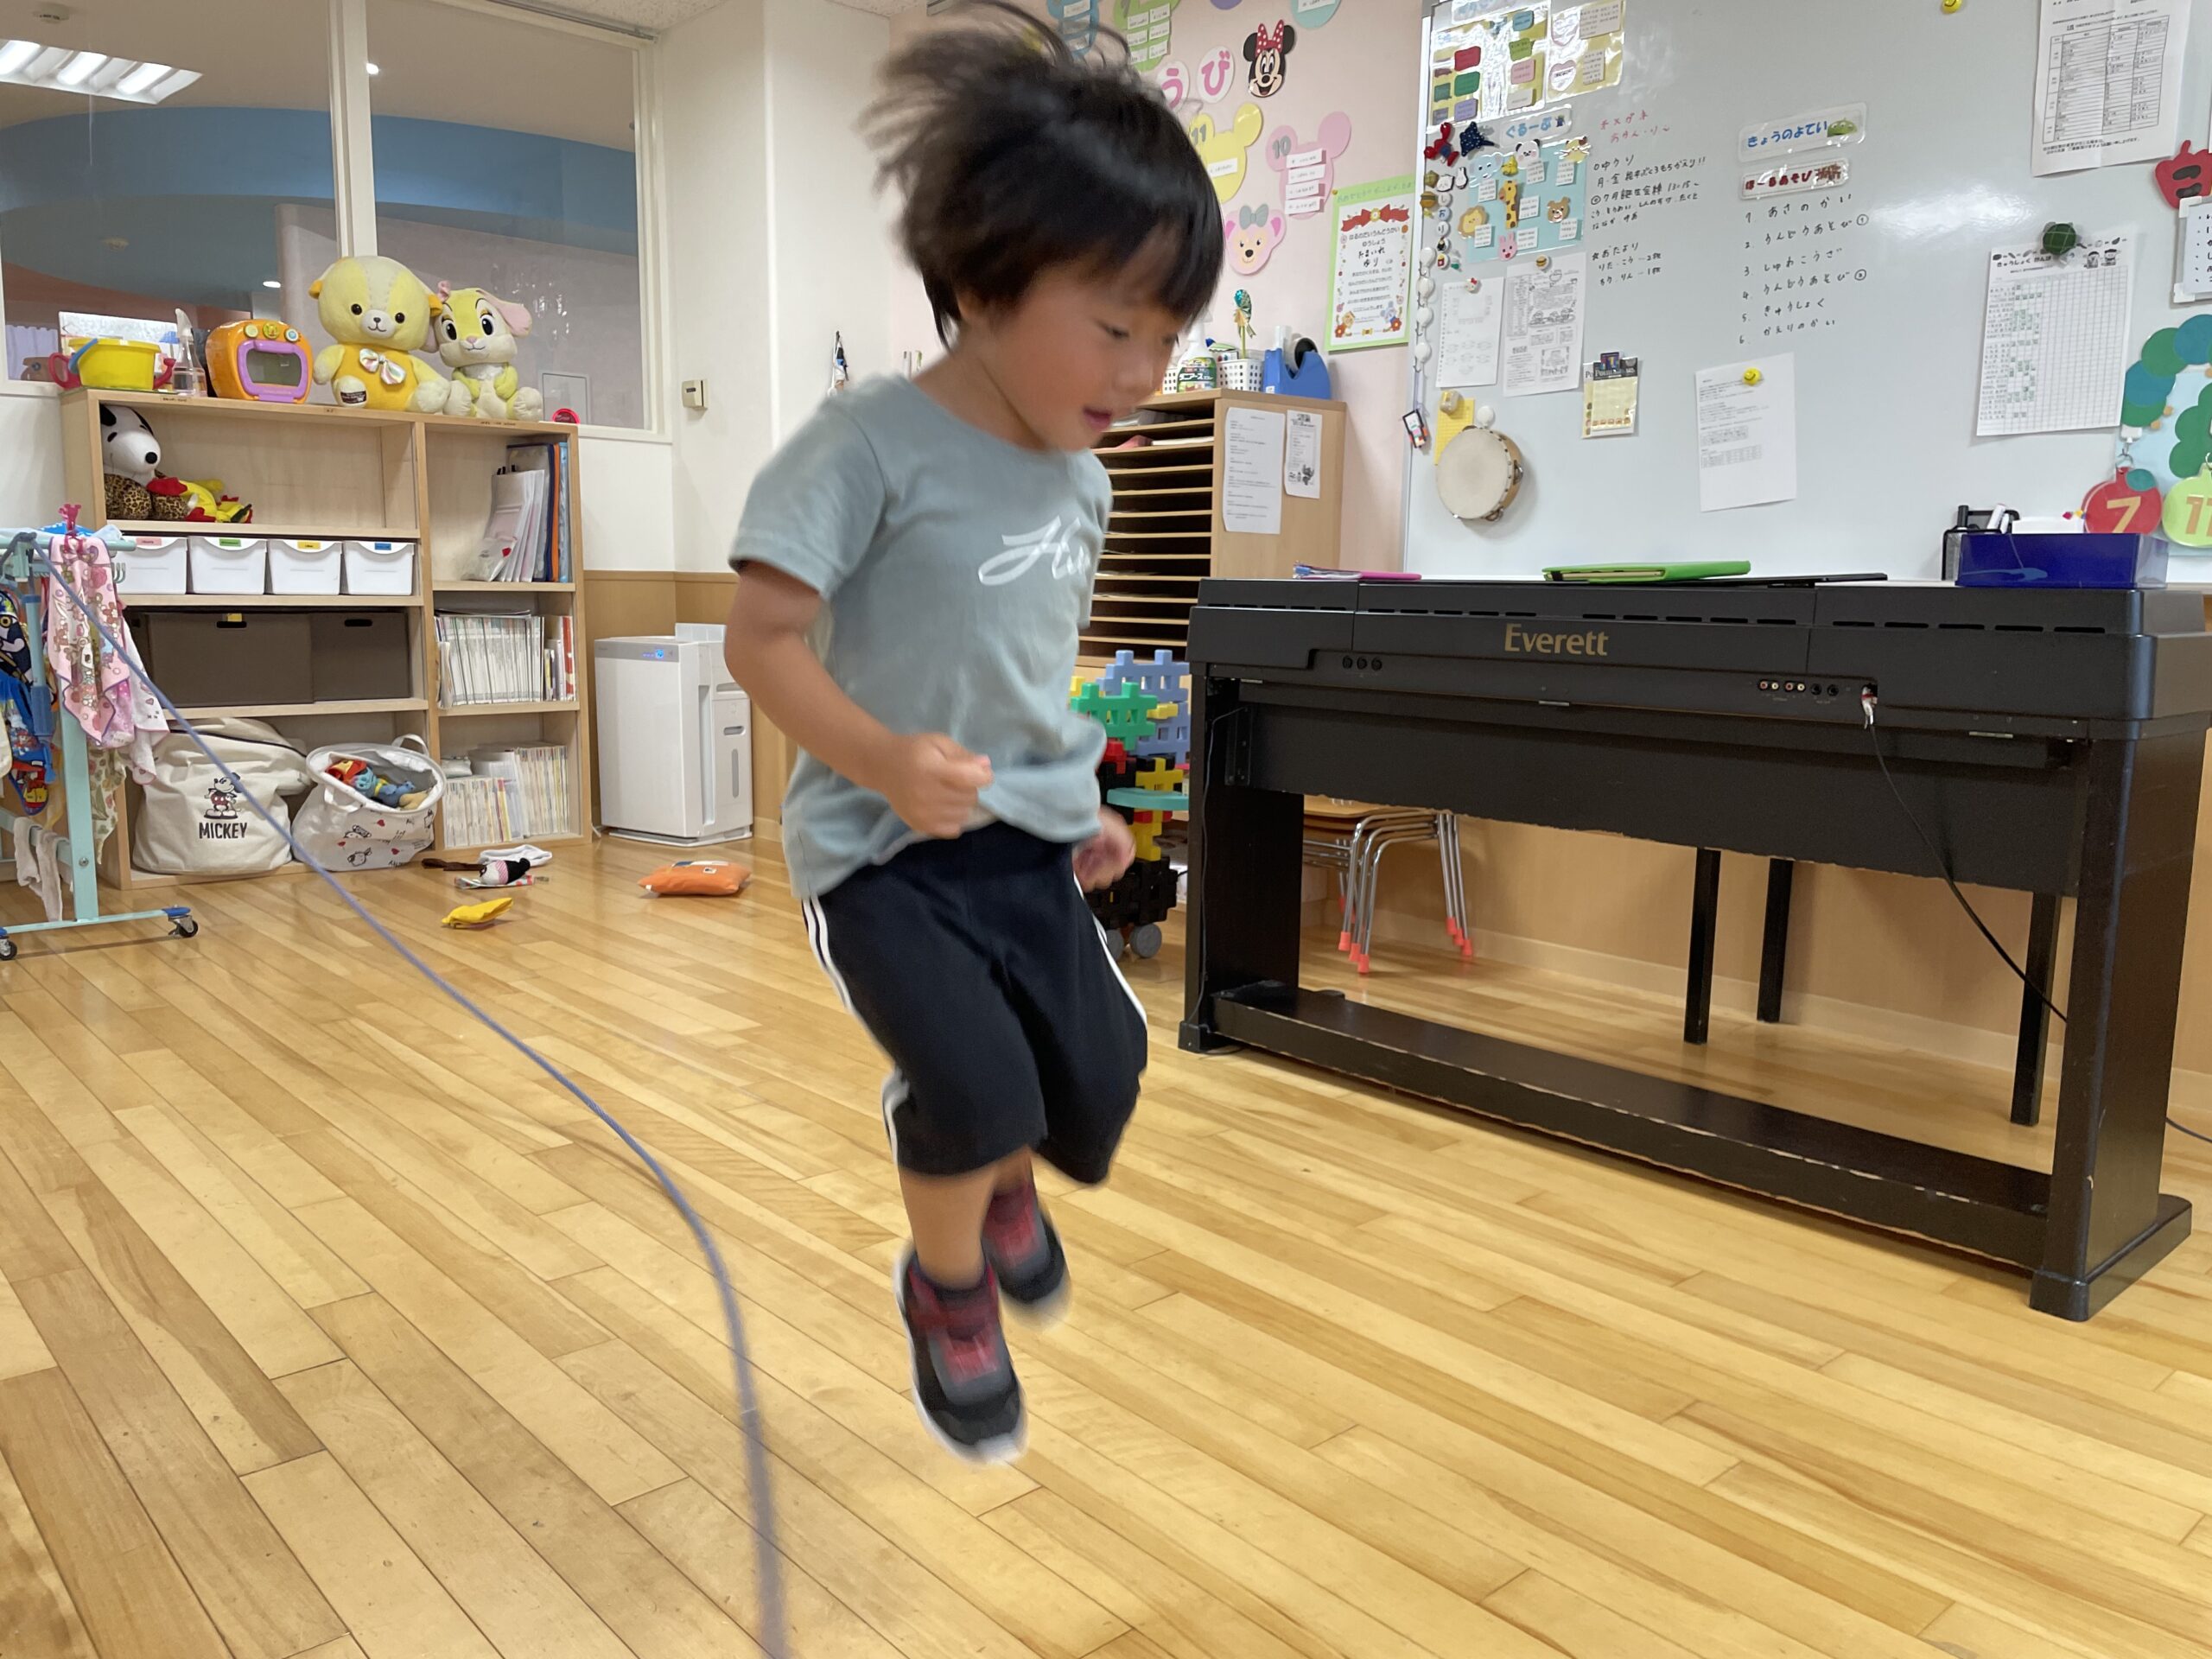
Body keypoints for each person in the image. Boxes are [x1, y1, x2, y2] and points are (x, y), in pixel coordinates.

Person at [721, 3, 1224, 1461]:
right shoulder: (866, 443)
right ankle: (947, 1289)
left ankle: (1001, 1175)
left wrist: (1081, 803)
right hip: (878, 854)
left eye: (1169, 336)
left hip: (1021, 838)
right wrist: (882, 759)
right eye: (1115, 326)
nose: (1143, 371)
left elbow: (1021, 673)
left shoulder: (1083, 481)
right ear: (988, 279)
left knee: (1097, 1076)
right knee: (975, 1083)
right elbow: (761, 640)